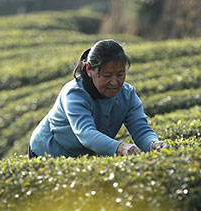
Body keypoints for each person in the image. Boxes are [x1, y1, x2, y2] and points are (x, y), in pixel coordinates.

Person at [28, 39, 168, 158]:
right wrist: (121, 147)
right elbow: (86, 133)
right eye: (107, 76)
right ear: (89, 69)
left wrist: (153, 144)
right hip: (47, 151)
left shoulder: (128, 94)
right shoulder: (75, 94)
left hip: (82, 156)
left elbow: (141, 129)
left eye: (120, 74)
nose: (114, 82)